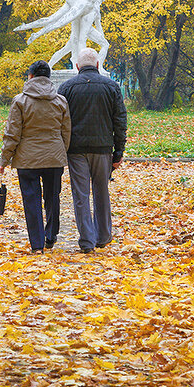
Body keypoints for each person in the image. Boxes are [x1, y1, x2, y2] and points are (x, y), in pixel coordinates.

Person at [0, 60, 71, 253]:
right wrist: (62, 151)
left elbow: (12, 133)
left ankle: (37, 244)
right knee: (53, 197)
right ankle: (51, 235)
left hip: (27, 159)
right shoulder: (60, 101)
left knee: (32, 200)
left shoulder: (20, 101)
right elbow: (66, 131)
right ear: (48, 77)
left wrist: (4, 159)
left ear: (30, 76)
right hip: (54, 157)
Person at [59, 47, 127, 253]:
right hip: (103, 148)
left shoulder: (66, 88)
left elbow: (59, 121)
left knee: (81, 195)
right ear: (98, 65)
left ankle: (86, 240)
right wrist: (118, 151)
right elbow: (120, 121)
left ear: (77, 66)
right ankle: (103, 235)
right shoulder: (112, 86)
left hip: (76, 149)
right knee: (101, 192)